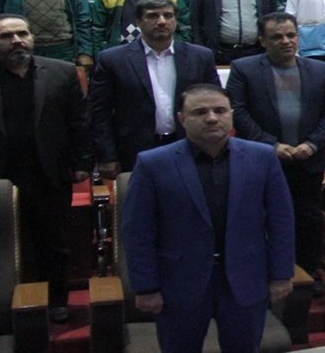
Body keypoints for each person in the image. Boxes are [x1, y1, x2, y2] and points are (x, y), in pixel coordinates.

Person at [121, 84, 295, 353]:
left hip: (245, 281)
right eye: (200, 112)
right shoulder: (152, 163)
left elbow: (281, 221)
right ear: (182, 119)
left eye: (220, 110)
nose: (212, 118)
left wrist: (282, 274)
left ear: (231, 115)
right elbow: (137, 231)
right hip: (179, 284)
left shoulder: (262, 158)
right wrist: (146, 287)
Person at [0, 15, 89, 322]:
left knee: (54, 243)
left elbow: (79, 122)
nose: (17, 40)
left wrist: (82, 163)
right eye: (6, 36)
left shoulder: (62, 72)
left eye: (22, 34)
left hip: (48, 172)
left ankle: (57, 301)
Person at [227, 13, 325, 279]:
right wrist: (271, 145)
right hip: (261, 161)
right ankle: (264, 275)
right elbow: (238, 112)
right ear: (263, 41)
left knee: (308, 221)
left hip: (307, 161)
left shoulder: (319, 70)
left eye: (291, 35)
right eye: (277, 37)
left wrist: (312, 144)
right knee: (260, 220)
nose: (286, 41)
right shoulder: (244, 69)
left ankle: (309, 274)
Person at [90, 0, 220, 176]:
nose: (161, 21)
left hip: (192, 146)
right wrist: (107, 156)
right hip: (135, 150)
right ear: (138, 21)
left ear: (176, 20)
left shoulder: (200, 56)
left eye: (168, 15)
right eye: (152, 16)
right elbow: (99, 112)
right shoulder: (112, 59)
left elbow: (215, 104)